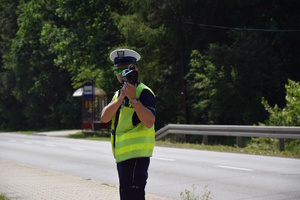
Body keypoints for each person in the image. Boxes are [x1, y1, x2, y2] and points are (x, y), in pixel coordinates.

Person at [101, 49, 156, 200]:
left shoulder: (143, 92)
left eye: (125, 68)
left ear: (135, 69)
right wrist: (121, 99)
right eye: (117, 69)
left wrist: (133, 99)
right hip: (123, 156)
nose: (121, 73)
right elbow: (104, 117)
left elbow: (149, 121)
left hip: (137, 157)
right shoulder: (119, 94)